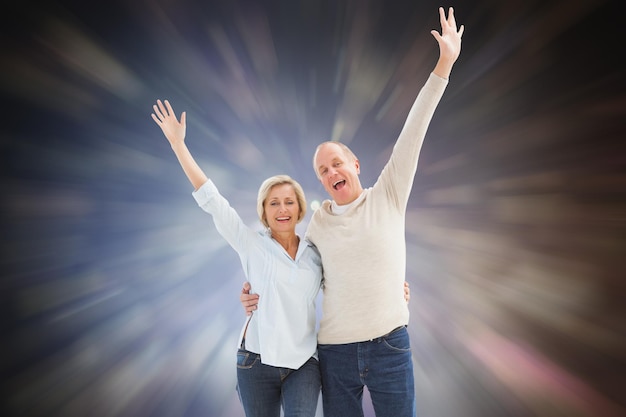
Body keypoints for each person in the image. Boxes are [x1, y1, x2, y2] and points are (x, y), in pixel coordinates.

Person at [241, 7, 464, 417]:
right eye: (323, 171)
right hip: (336, 353)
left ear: (355, 164)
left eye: (336, 163)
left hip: (390, 344)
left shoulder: (389, 194)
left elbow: (415, 128)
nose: (331, 173)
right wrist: (254, 290)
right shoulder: (318, 224)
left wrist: (444, 63)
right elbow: (291, 269)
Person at [151, 99, 323, 417]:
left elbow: (350, 278)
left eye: (288, 202)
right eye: (274, 203)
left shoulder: (316, 252)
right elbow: (212, 200)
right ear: (263, 211)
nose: (282, 209)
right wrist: (178, 145)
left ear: (300, 208)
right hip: (255, 361)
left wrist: (395, 292)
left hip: (304, 362)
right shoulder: (250, 243)